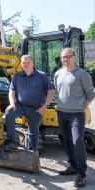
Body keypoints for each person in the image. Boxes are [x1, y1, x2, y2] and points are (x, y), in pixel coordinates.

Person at [55, 48, 95, 187]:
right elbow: (57, 91)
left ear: (74, 57)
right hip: (61, 112)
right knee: (66, 141)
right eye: (63, 57)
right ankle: (73, 166)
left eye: (68, 56)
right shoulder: (58, 74)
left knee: (77, 141)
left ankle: (81, 174)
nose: (66, 59)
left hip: (76, 114)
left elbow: (90, 94)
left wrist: (83, 106)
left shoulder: (82, 74)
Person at [4, 55, 54, 151]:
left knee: (33, 132)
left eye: (28, 62)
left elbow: (51, 92)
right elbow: (12, 91)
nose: (26, 64)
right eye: (23, 63)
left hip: (36, 108)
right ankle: (12, 141)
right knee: (9, 113)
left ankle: (32, 152)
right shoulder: (17, 76)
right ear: (21, 64)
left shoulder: (41, 76)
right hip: (20, 106)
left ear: (33, 64)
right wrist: (12, 103)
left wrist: (45, 107)